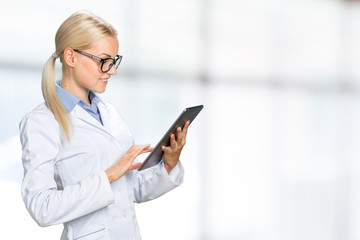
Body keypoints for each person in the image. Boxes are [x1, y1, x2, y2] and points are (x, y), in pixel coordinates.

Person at [19, 11, 189, 240]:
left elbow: (131, 190)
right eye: (104, 61)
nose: (113, 70)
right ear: (70, 57)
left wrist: (168, 164)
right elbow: (42, 208)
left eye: (114, 60)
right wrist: (107, 176)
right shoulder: (41, 122)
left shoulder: (109, 113)